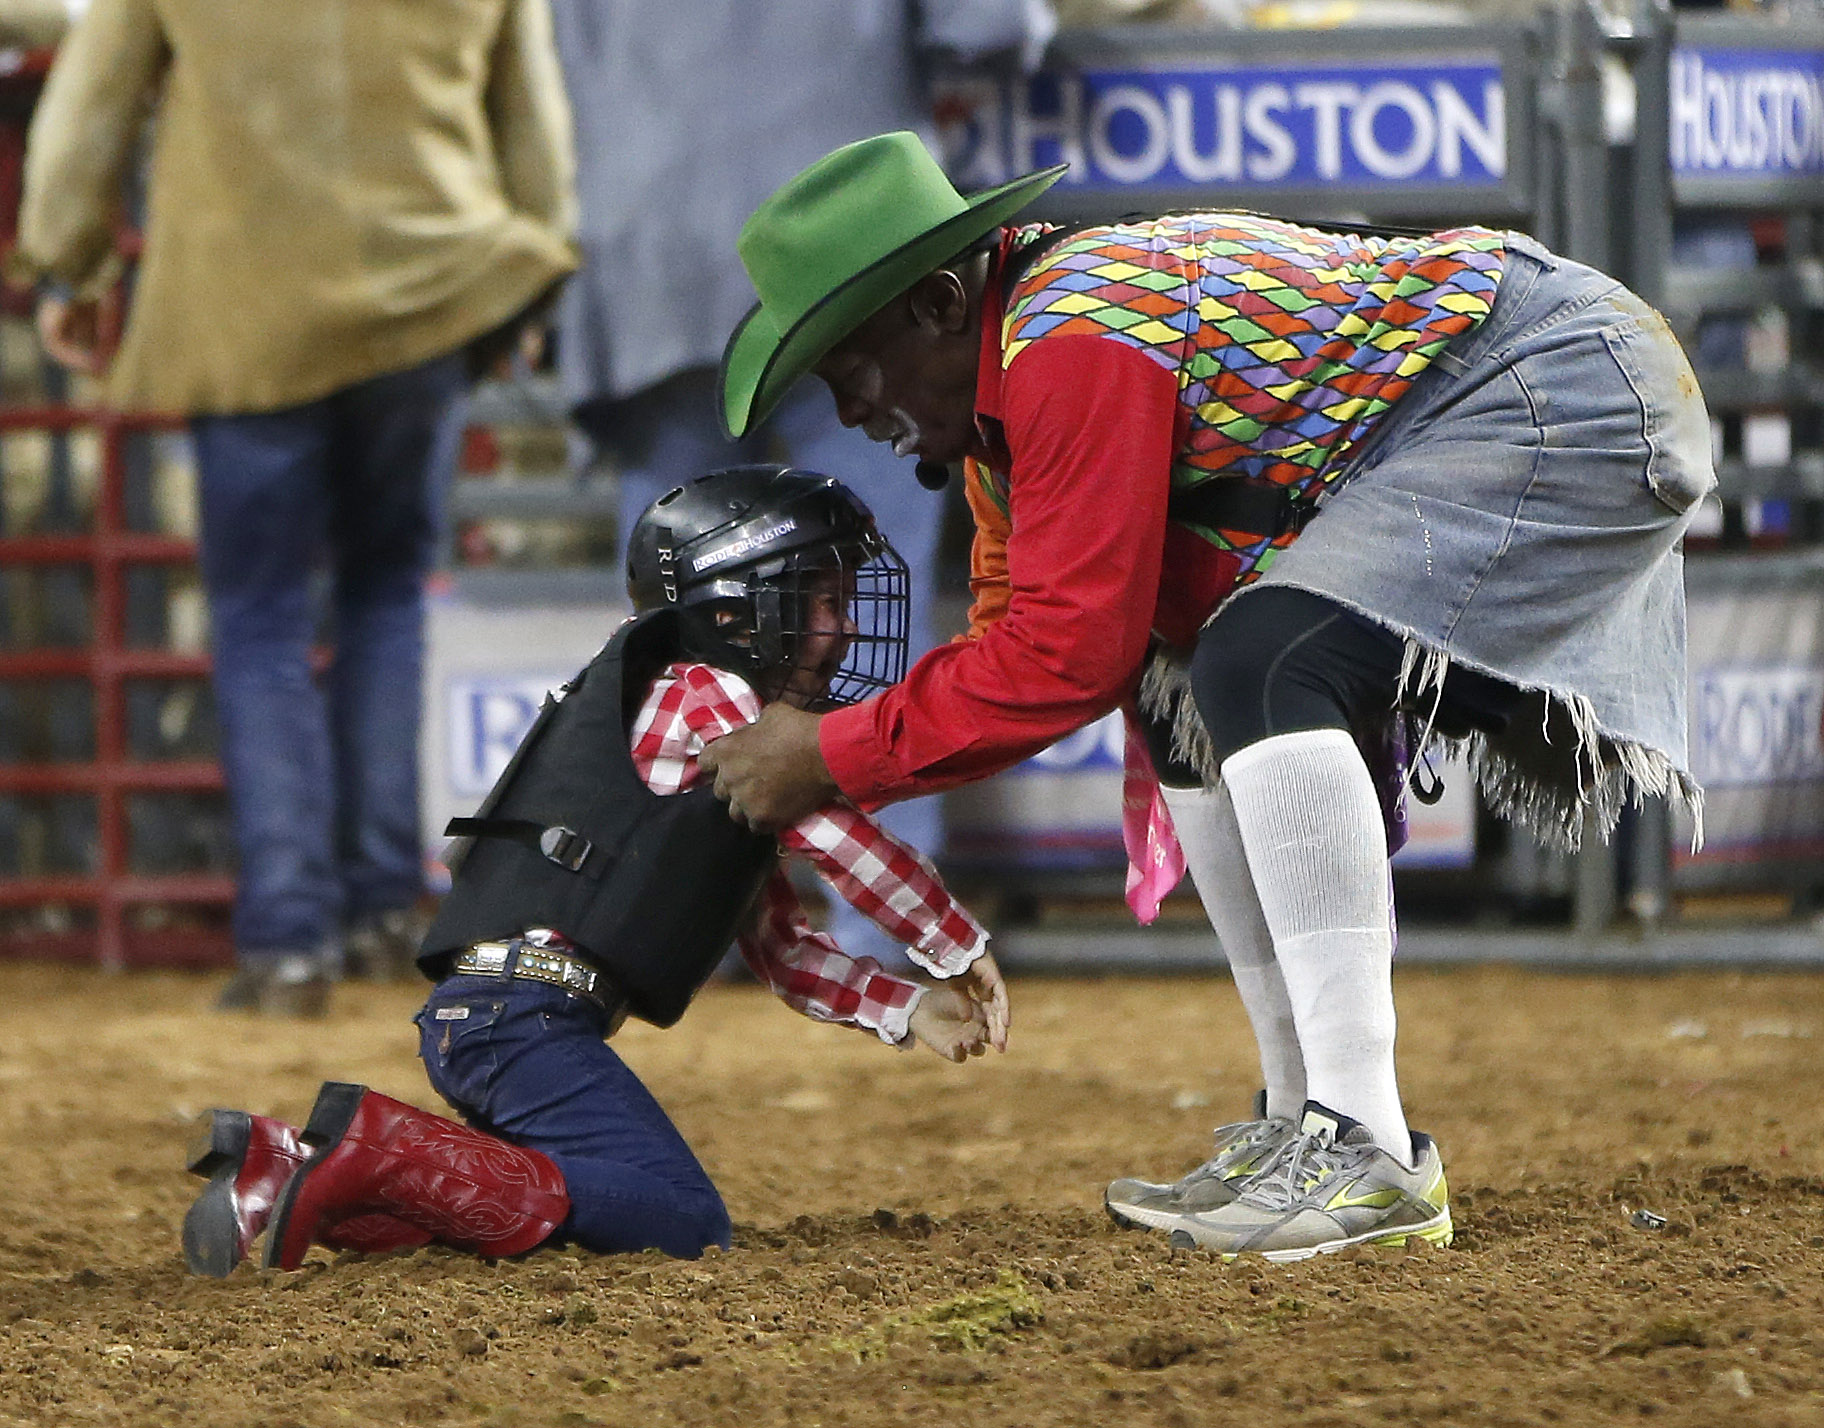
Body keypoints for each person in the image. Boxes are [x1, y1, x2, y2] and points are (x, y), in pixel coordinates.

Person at [696, 132, 1714, 1260]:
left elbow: (1062, 656)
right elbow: (1023, 645)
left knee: (1263, 660)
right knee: (1187, 677)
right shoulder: (1006, 410)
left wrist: (828, 753)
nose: (851, 415)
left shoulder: (1069, 337)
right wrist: (846, 756)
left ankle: (1366, 1150)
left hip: (1559, 381)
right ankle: (1305, 1122)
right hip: (1514, 379)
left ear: (940, 303)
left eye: (852, 373)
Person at [180, 465, 1010, 1275]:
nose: (846, 627)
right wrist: (952, 942)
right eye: (821, 600)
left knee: (559, 1205)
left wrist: (908, 1006)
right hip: (521, 1016)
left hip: (501, 1016)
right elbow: (837, 836)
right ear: (738, 612)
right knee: (677, 1216)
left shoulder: (706, 726)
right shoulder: (711, 698)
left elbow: (784, 951)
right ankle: (374, 1151)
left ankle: (288, 1166)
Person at [11, 0, 578, 1014]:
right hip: (423, 296)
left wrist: (66, 257)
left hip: (245, 302)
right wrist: (530, 276)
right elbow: (532, 127)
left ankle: (288, 940)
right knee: (387, 595)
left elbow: (88, 108)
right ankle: (383, 910)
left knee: (260, 615)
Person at [545, 0, 1051, 966]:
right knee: (866, 599)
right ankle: (887, 922)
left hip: (651, 242)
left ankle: (673, 921)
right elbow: (995, 28)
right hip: (848, 266)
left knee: (675, 617)